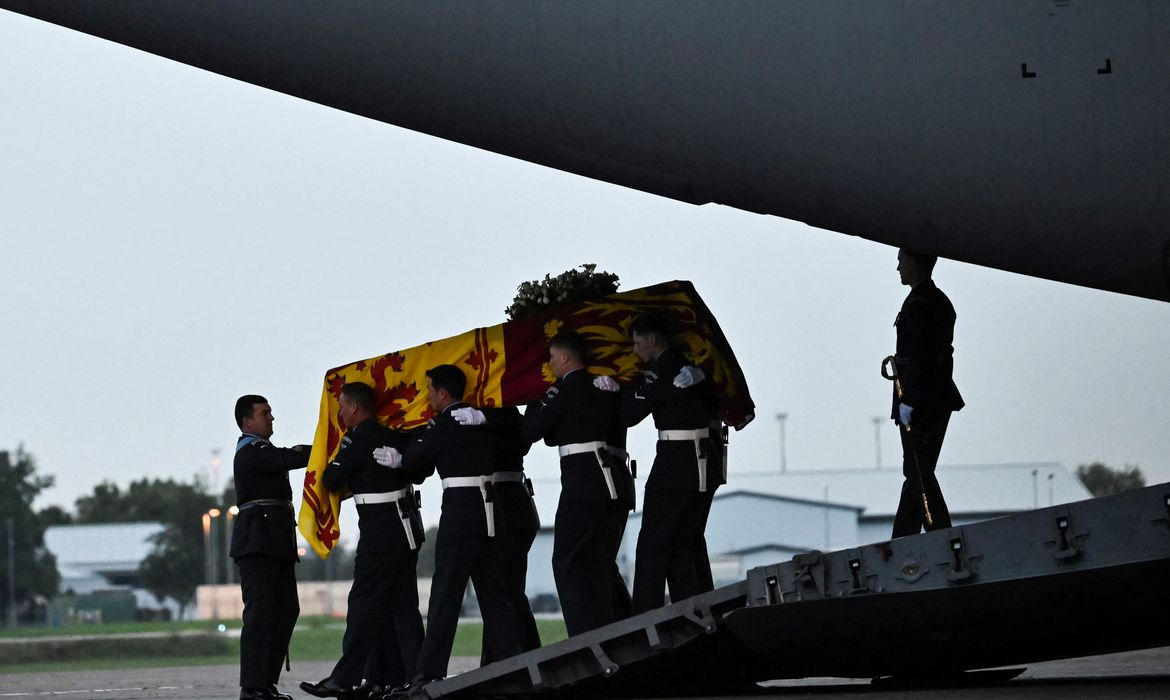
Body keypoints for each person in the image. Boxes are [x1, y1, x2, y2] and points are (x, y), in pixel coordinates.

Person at [373, 364, 520, 695]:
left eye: (429, 390)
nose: (426, 396)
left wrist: (399, 460)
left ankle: (428, 671)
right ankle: (513, 660)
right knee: (494, 591)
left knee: (446, 593)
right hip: (490, 509)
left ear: (442, 393)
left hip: (461, 511)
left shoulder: (441, 425)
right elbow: (515, 429)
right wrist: (485, 417)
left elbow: (417, 463)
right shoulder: (482, 417)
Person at [300, 383, 425, 699]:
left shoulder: (357, 439)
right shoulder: (395, 435)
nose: (340, 412)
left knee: (362, 607)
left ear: (354, 408)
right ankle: (417, 676)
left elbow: (331, 479)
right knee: (404, 607)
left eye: (342, 406)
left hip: (380, 535)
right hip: (406, 529)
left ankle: (344, 678)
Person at [517, 330, 634, 636]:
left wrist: (534, 397)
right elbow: (559, 433)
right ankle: (618, 629)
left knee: (566, 561)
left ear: (565, 357)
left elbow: (529, 434)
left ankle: (584, 638)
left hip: (584, 485)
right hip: (617, 482)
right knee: (599, 563)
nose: (550, 364)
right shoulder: (606, 387)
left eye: (552, 358)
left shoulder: (565, 391)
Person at [620, 314, 721, 613]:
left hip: (676, 464)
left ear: (652, 341)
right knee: (686, 540)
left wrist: (617, 389)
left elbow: (629, 415)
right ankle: (698, 607)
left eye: (638, 343)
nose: (635, 350)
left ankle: (644, 617)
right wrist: (703, 373)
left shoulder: (661, 372)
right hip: (708, 460)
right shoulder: (697, 369)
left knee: (652, 542)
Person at [231, 395, 311, 700]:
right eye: (265, 414)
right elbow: (286, 458)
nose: (271, 418)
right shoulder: (252, 451)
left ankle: (265, 683)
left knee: (286, 610)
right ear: (247, 421)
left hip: (275, 544)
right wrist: (324, 448)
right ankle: (252, 687)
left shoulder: (261, 451)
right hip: (258, 544)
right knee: (260, 615)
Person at [452, 405, 542, 662]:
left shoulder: (506, 420)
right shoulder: (508, 420)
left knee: (503, 591)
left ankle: (509, 656)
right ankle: (520, 653)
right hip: (514, 504)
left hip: (505, 508)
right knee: (508, 591)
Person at [889, 248, 965, 538]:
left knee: (918, 470)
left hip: (922, 399)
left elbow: (922, 359)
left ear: (915, 264)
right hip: (930, 396)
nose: (897, 268)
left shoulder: (922, 303)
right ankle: (906, 536)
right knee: (917, 470)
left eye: (901, 261)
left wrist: (908, 401)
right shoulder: (934, 301)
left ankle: (939, 534)